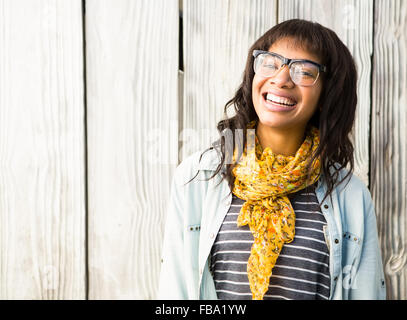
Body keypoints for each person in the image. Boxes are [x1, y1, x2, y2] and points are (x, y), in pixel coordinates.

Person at [158, 19, 386, 300]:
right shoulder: (198, 176)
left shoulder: (350, 196)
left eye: (304, 71)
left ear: (328, 92)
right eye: (270, 62)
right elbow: (175, 291)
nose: (281, 79)